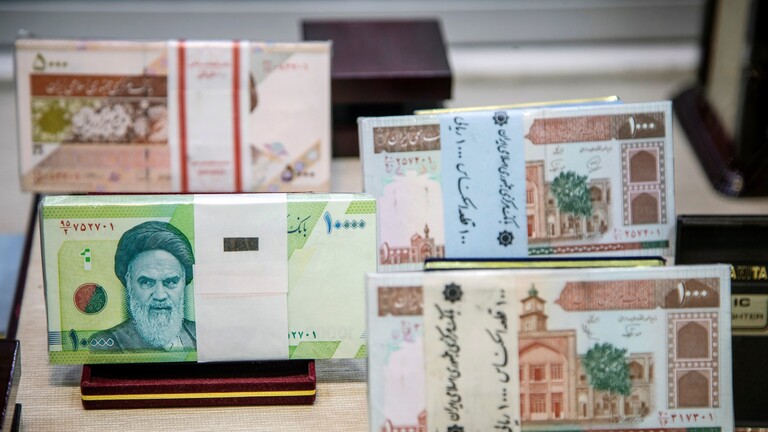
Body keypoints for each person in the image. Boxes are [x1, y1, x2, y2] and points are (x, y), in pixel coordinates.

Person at [90, 221, 196, 351]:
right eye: (146, 282)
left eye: (170, 282)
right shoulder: (105, 344)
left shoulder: (202, 335)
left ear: (184, 281)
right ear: (129, 283)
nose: (160, 295)